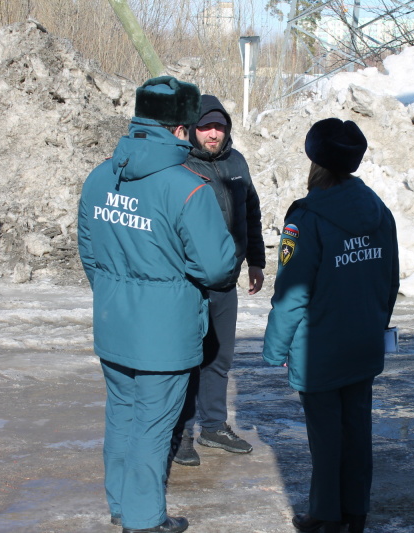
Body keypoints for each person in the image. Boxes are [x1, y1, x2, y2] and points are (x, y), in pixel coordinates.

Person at [77, 76, 237, 533]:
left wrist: (115, 292)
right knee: (152, 427)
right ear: (182, 129)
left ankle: (122, 505)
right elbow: (217, 268)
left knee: (121, 417)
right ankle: (145, 520)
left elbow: (89, 253)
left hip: (114, 322)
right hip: (164, 333)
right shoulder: (186, 187)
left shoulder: (101, 175)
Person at [262, 118, 400, 533]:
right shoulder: (379, 211)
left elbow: (292, 292)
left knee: (325, 437)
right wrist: (376, 323)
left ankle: (324, 515)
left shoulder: (306, 217)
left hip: (318, 348)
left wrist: (275, 349)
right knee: (357, 430)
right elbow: (389, 278)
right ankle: (355, 513)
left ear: (315, 161)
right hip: (362, 341)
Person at [171, 94, 266, 466]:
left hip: (226, 278)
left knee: (219, 357)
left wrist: (256, 261)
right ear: (192, 129)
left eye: (220, 127)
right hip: (189, 280)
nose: (213, 134)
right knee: (186, 358)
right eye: (206, 127)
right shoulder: (179, 164)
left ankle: (213, 426)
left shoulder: (236, 162)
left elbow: (251, 213)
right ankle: (182, 433)